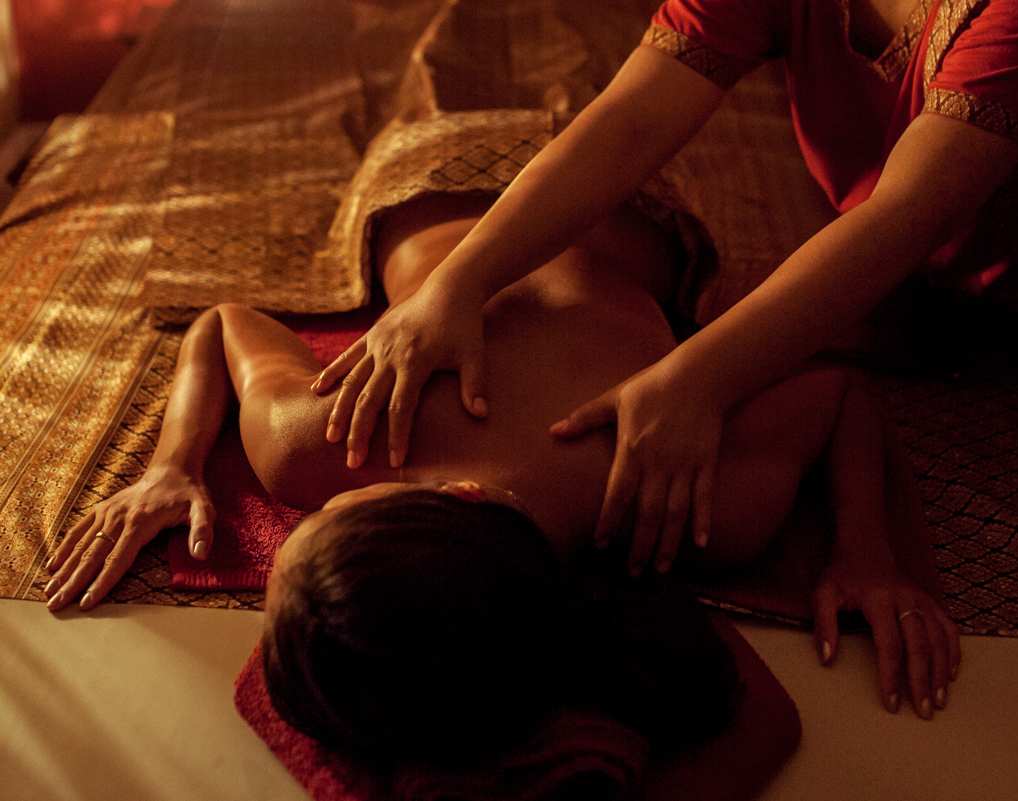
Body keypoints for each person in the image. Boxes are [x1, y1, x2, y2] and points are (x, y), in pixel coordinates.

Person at [44, 191, 958, 734]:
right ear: (457, 492)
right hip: (589, 190)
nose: (302, 513)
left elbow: (219, 321)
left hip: (456, 186)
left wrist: (171, 463)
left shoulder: (704, 513)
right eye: (323, 522)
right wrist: (869, 553)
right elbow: (842, 390)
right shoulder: (318, 442)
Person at [311, 0, 1018, 618]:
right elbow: (633, 118)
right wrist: (458, 281)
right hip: (892, 234)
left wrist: (699, 379)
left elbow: (905, 216)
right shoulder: (724, 515)